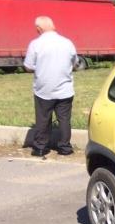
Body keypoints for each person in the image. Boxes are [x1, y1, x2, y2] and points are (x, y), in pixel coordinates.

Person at [23, 16, 78, 157]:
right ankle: (65, 148)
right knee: (64, 120)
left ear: (39, 29)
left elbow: (28, 66)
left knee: (43, 119)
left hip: (44, 89)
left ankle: (41, 147)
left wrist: (39, 67)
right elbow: (75, 63)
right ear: (53, 26)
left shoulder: (35, 44)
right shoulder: (67, 43)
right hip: (65, 90)